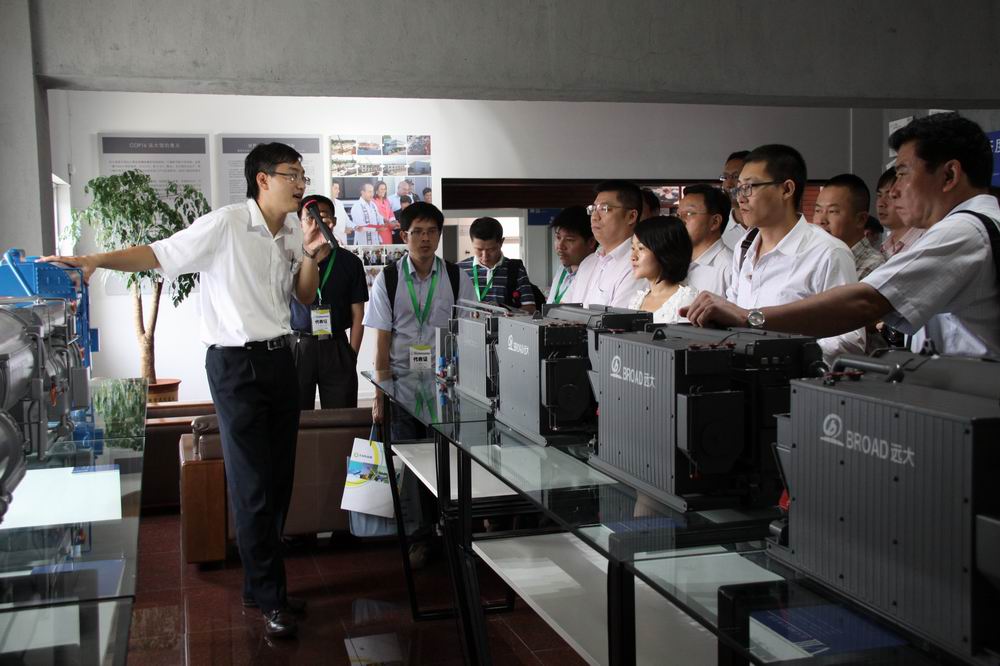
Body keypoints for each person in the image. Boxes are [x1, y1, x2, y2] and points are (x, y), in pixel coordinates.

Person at [42, 142, 326, 639]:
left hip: (282, 359)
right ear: (262, 179)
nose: (301, 184)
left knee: (279, 478)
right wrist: (95, 259)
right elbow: (160, 252)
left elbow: (303, 295)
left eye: (303, 175)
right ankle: (271, 598)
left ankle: (258, 586)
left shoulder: (287, 233)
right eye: (292, 175)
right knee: (253, 483)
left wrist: (309, 253)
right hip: (236, 365)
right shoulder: (225, 224)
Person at [684, 112, 1000, 358]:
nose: (895, 190)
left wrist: (748, 318)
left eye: (903, 173)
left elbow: (865, 303)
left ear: (949, 175)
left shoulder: (964, 231)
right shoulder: (976, 225)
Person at [364, 202, 475, 567]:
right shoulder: (389, 278)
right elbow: (381, 341)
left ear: (439, 235)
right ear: (404, 235)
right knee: (411, 465)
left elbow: (469, 332)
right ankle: (420, 537)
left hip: (445, 390)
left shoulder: (456, 277)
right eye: (417, 232)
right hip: (401, 389)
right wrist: (379, 395)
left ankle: (449, 531)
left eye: (431, 232)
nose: (425, 239)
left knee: (444, 462)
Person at [684, 144, 865, 363]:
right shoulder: (745, 247)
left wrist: (779, 356)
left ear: (786, 190)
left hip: (798, 379)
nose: (741, 198)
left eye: (750, 187)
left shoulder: (827, 252)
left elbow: (850, 341)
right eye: (739, 188)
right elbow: (736, 311)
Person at [291, 194, 368, 409]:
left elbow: (358, 314)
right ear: (300, 223)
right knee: (295, 415)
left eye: (322, 216)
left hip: (336, 346)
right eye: (310, 217)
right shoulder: (291, 259)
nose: (316, 223)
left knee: (341, 413)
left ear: (333, 221)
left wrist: (351, 355)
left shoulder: (350, 262)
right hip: (299, 345)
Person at [564, 180, 644, 308]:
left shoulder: (638, 265)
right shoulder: (588, 263)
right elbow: (563, 310)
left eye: (604, 209)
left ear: (631, 216)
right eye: (593, 209)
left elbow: (618, 319)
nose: (594, 217)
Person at [456, 217, 537, 313]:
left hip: (504, 322)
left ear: (501, 242)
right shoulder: (458, 269)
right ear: (472, 242)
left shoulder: (515, 269)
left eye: (491, 249)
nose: (485, 256)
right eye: (479, 249)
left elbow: (530, 308)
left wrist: (504, 310)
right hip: (467, 322)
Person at [813, 173, 885, 280]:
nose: (821, 221)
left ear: (861, 219)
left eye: (833, 211)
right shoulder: (817, 258)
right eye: (818, 210)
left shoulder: (875, 267)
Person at [627, 216, 698, 323]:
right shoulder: (636, 300)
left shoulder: (686, 301)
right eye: (633, 248)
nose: (633, 257)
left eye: (641, 248)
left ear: (664, 251)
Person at [678, 183, 733, 295]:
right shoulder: (675, 261)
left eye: (689, 213)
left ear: (715, 222)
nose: (680, 220)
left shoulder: (730, 267)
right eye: (678, 215)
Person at [548, 205, 597, 304]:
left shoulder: (596, 274)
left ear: (591, 242)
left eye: (569, 240)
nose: (560, 246)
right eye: (558, 237)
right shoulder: (562, 270)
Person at [876, 167, 924, 257]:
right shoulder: (884, 247)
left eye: (889, 195)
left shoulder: (923, 241)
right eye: (879, 195)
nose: (881, 204)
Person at [719, 150, 751, 251]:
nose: (729, 184)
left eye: (735, 176)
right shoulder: (718, 229)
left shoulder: (771, 225)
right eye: (725, 177)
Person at [329, 181, 350, 246]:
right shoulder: (326, 204)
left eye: (338, 188)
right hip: (334, 238)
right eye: (336, 188)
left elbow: (346, 219)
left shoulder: (340, 203)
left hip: (343, 238)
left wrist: (355, 227)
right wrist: (343, 229)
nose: (338, 191)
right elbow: (329, 223)